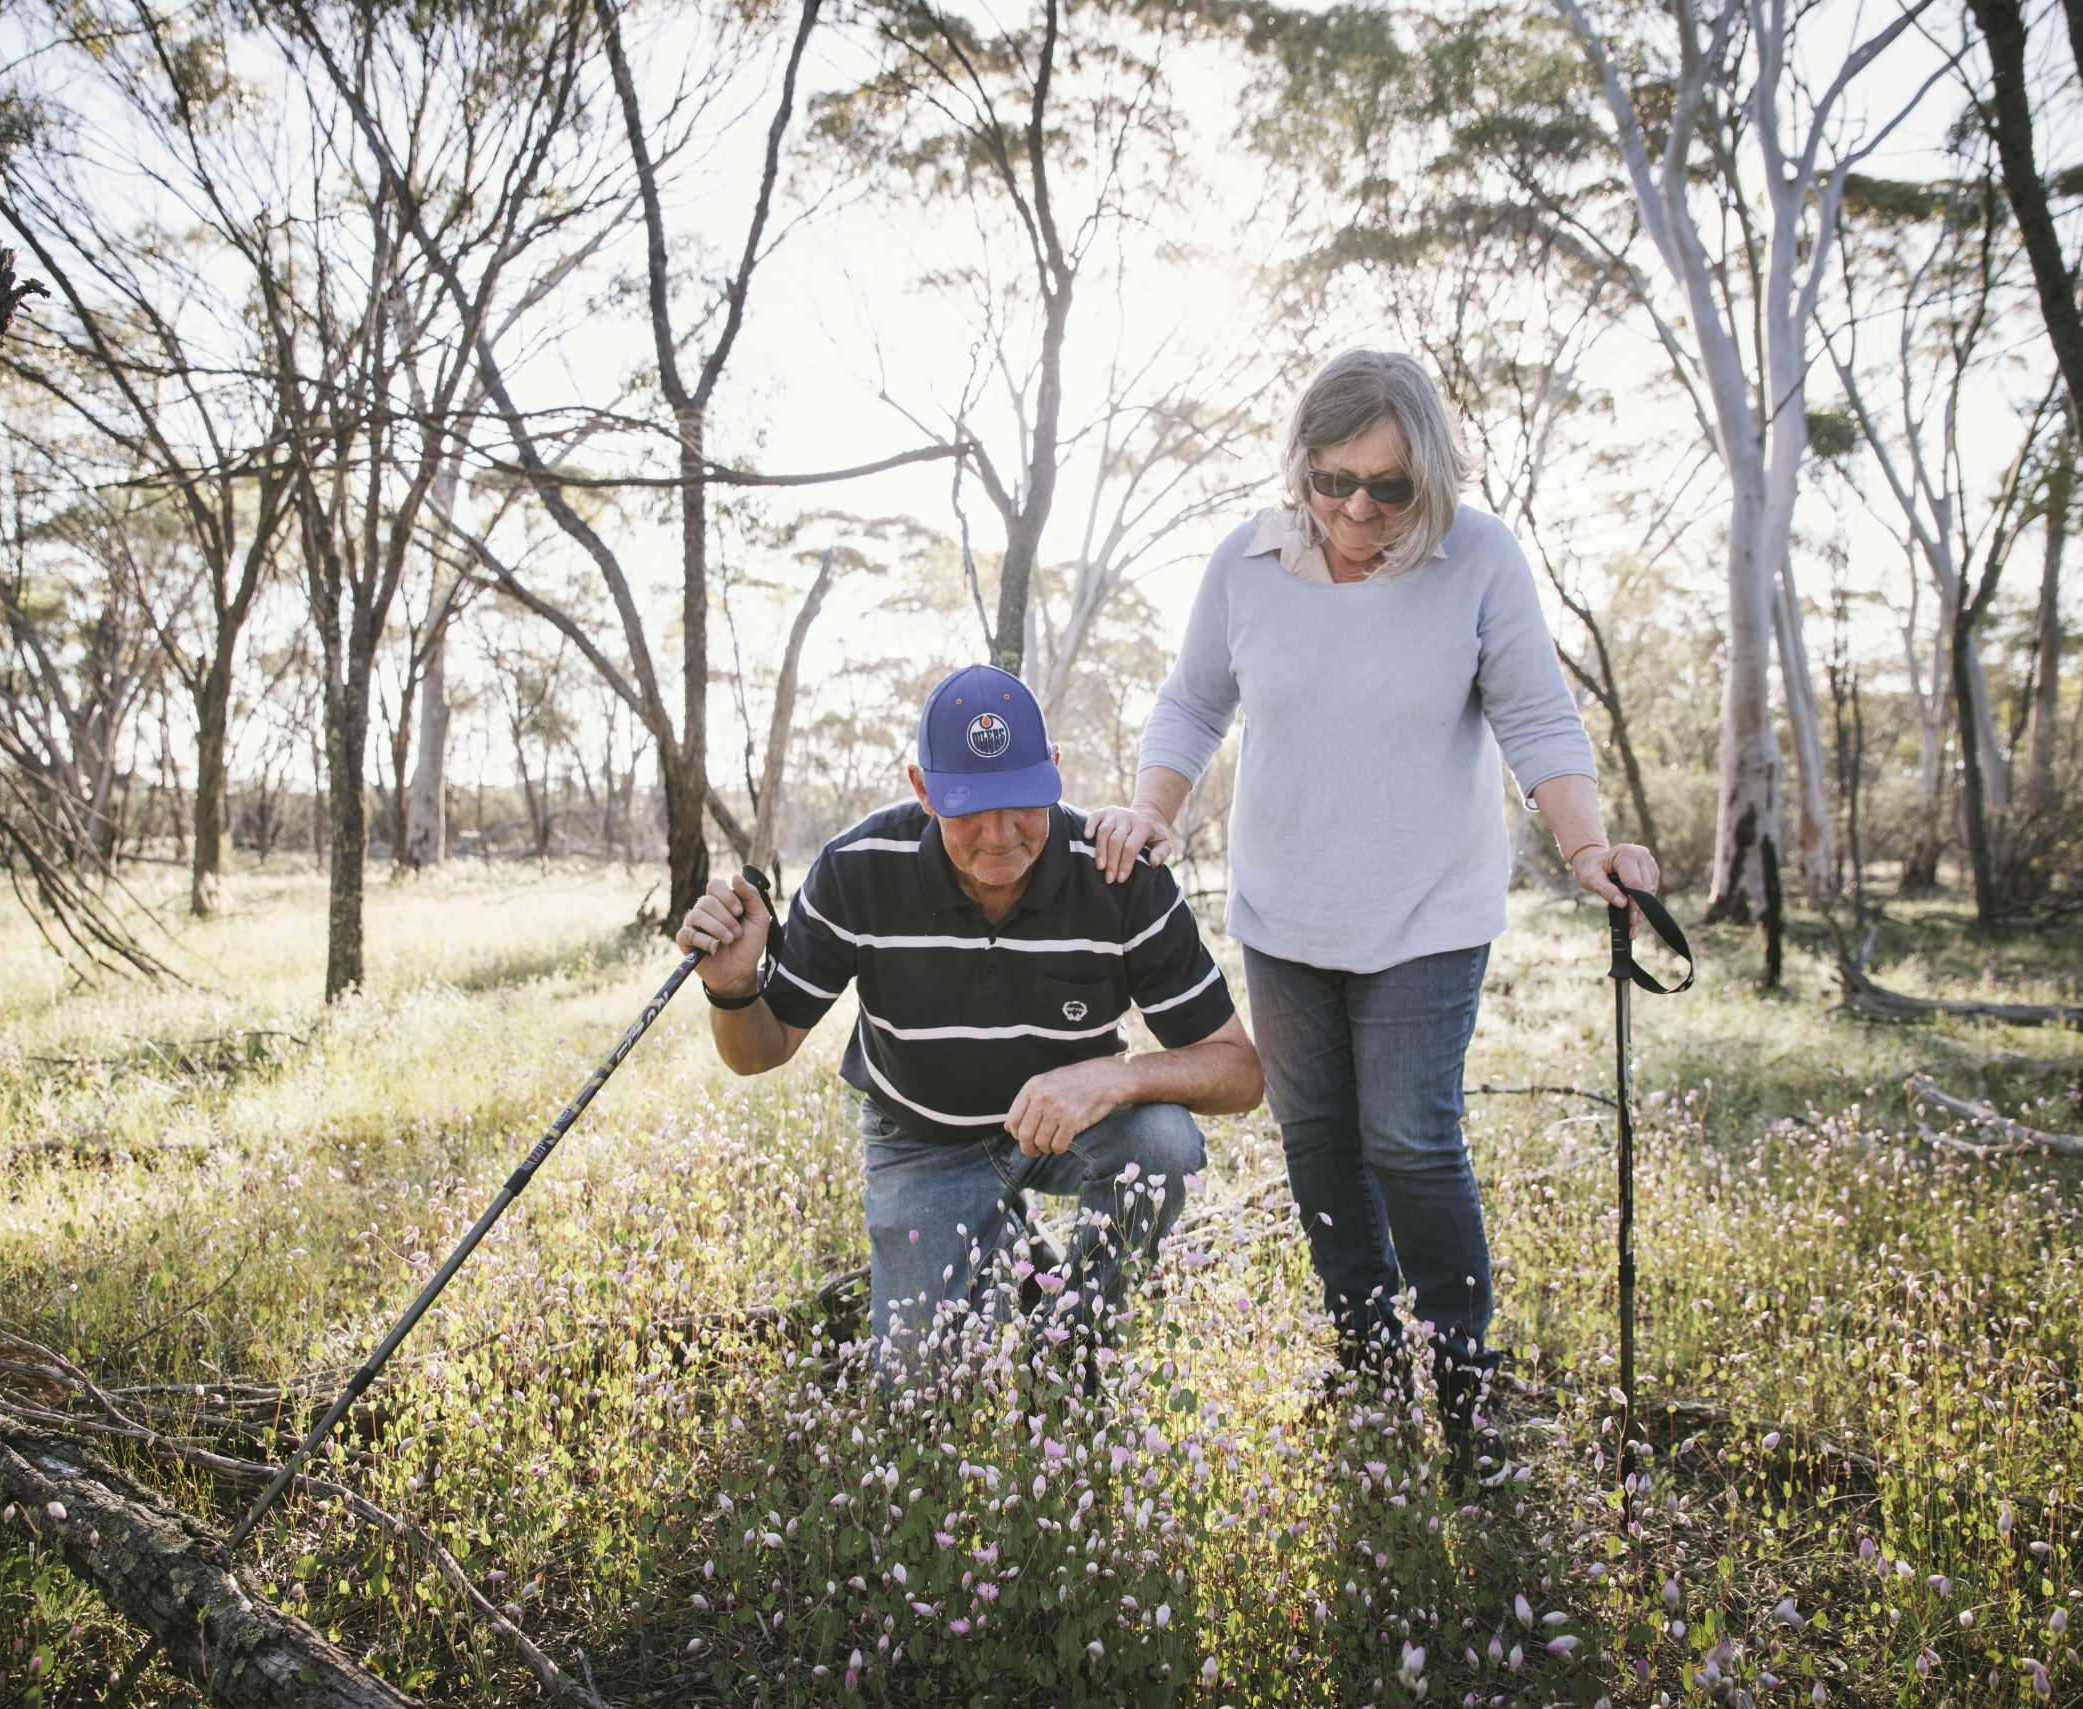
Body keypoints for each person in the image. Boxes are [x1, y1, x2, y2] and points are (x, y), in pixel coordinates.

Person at [1088, 348, 1662, 1473]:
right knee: (1317, 1140)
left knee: (1406, 1133)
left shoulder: (1479, 558)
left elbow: (1537, 716)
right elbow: (1194, 699)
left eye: (1388, 486)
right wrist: (1153, 805)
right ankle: (1364, 1358)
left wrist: (1588, 843)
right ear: (1299, 467)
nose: (1357, 507)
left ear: (1428, 477)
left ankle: (1462, 1376)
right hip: (1283, 911)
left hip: (1426, 909)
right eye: (1332, 478)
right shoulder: (1246, 560)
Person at [678, 664, 1264, 1382]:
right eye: (968, 806)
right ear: (922, 788)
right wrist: (735, 989)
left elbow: (1240, 1071)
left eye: (1021, 799)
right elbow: (760, 1052)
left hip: (1067, 1129)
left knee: (1164, 1142)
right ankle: (1003, 1234)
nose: (1000, 835)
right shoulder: (858, 869)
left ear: (1052, 771)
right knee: (928, 1395)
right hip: (922, 1140)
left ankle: (1070, 1345)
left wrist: (1114, 1075)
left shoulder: (1117, 871)